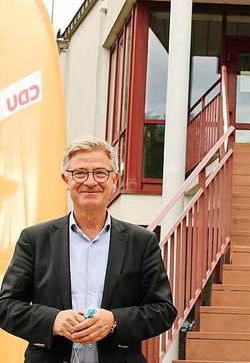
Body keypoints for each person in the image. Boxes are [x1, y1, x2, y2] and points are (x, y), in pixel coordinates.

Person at [0, 136, 177, 363]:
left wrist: (114, 321)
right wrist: (53, 320)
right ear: (66, 179)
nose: (90, 181)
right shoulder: (35, 239)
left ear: (114, 180)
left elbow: (163, 311)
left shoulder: (141, 242)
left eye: (100, 173)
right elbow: (6, 306)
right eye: (80, 173)